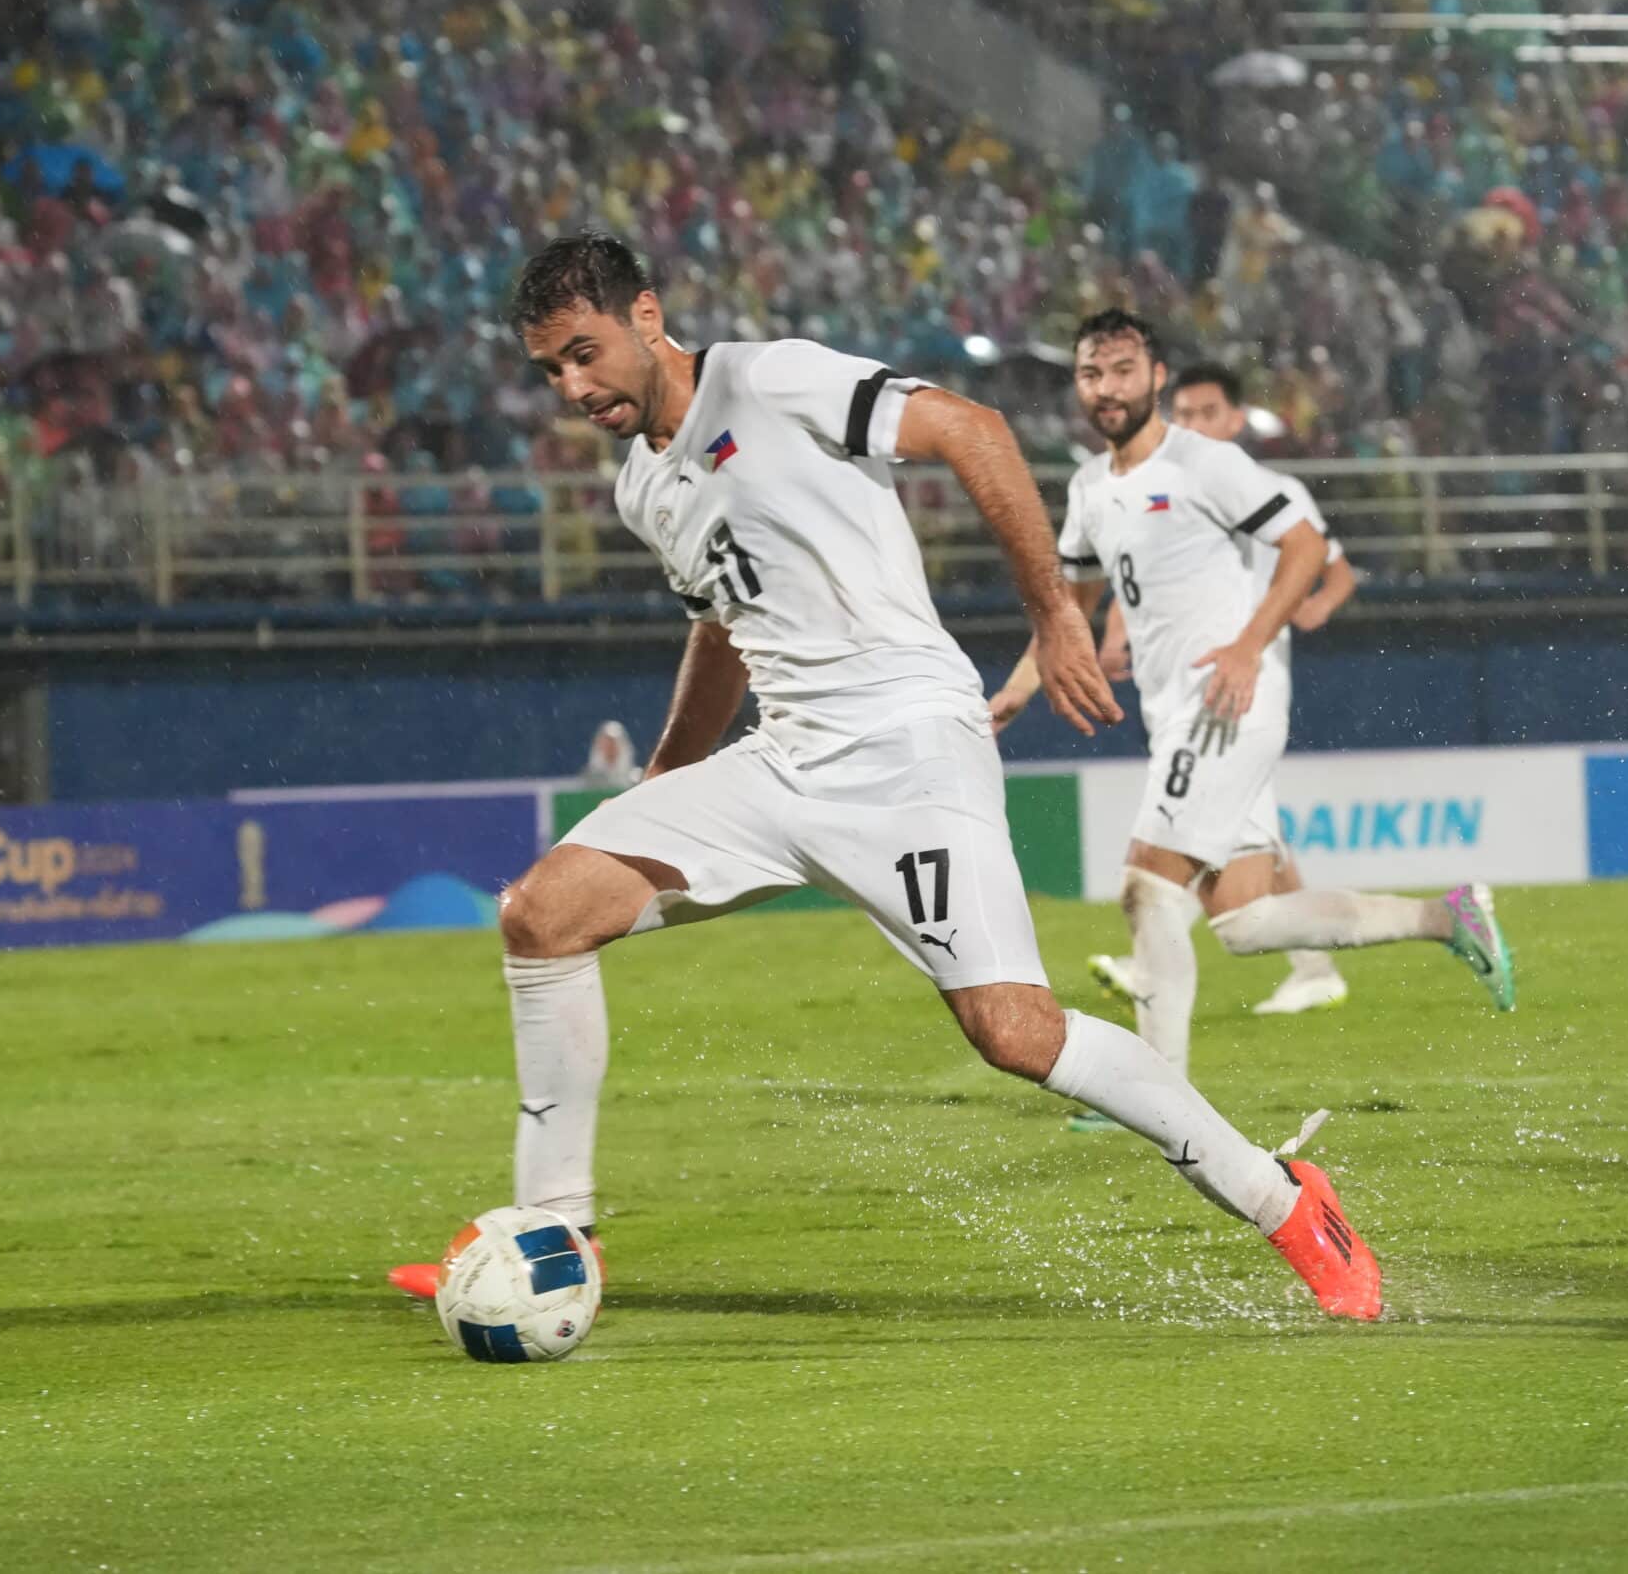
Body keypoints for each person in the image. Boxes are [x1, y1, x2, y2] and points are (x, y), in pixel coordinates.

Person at [390, 234, 1382, 1320]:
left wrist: (1053, 613)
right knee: (542, 916)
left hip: (907, 747)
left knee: (1015, 1032)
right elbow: (723, 630)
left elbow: (973, 428)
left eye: (583, 354)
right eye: (549, 372)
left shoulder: (768, 379)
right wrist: (669, 779)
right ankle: (550, 1240)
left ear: (645, 315)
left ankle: (1282, 1199)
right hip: (781, 765)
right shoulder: (644, 486)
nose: (573, 388)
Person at [991, 310, 1513, 1134]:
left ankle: (1155, 1097)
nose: (1107, 388)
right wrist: (1016, 693)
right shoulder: (1090, 487)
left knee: (1148, 888)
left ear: (1155, 375)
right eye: (1093, 373)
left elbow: (1307, 547)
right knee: (1244, 920)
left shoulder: (1206, 462)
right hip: (1178, 716)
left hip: (1230, 700)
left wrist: (1247, 645)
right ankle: (1448, 918)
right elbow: (1071, 612)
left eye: (1123, 369)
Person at [1087, 361, 1366, 1018]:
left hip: (1248, 680)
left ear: (1235, 419)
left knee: (1203, 819)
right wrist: (1114, 626)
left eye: (1207, 412)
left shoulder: (1279, 489)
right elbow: (1139, 574)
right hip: (1181, 678)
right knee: (1247, 828)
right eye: (1183, 413)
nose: (1194, 425)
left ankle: (1152, 957)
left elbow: (1337, 570)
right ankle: (1320, 964)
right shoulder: (1165, 490)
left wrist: (1316, 607)